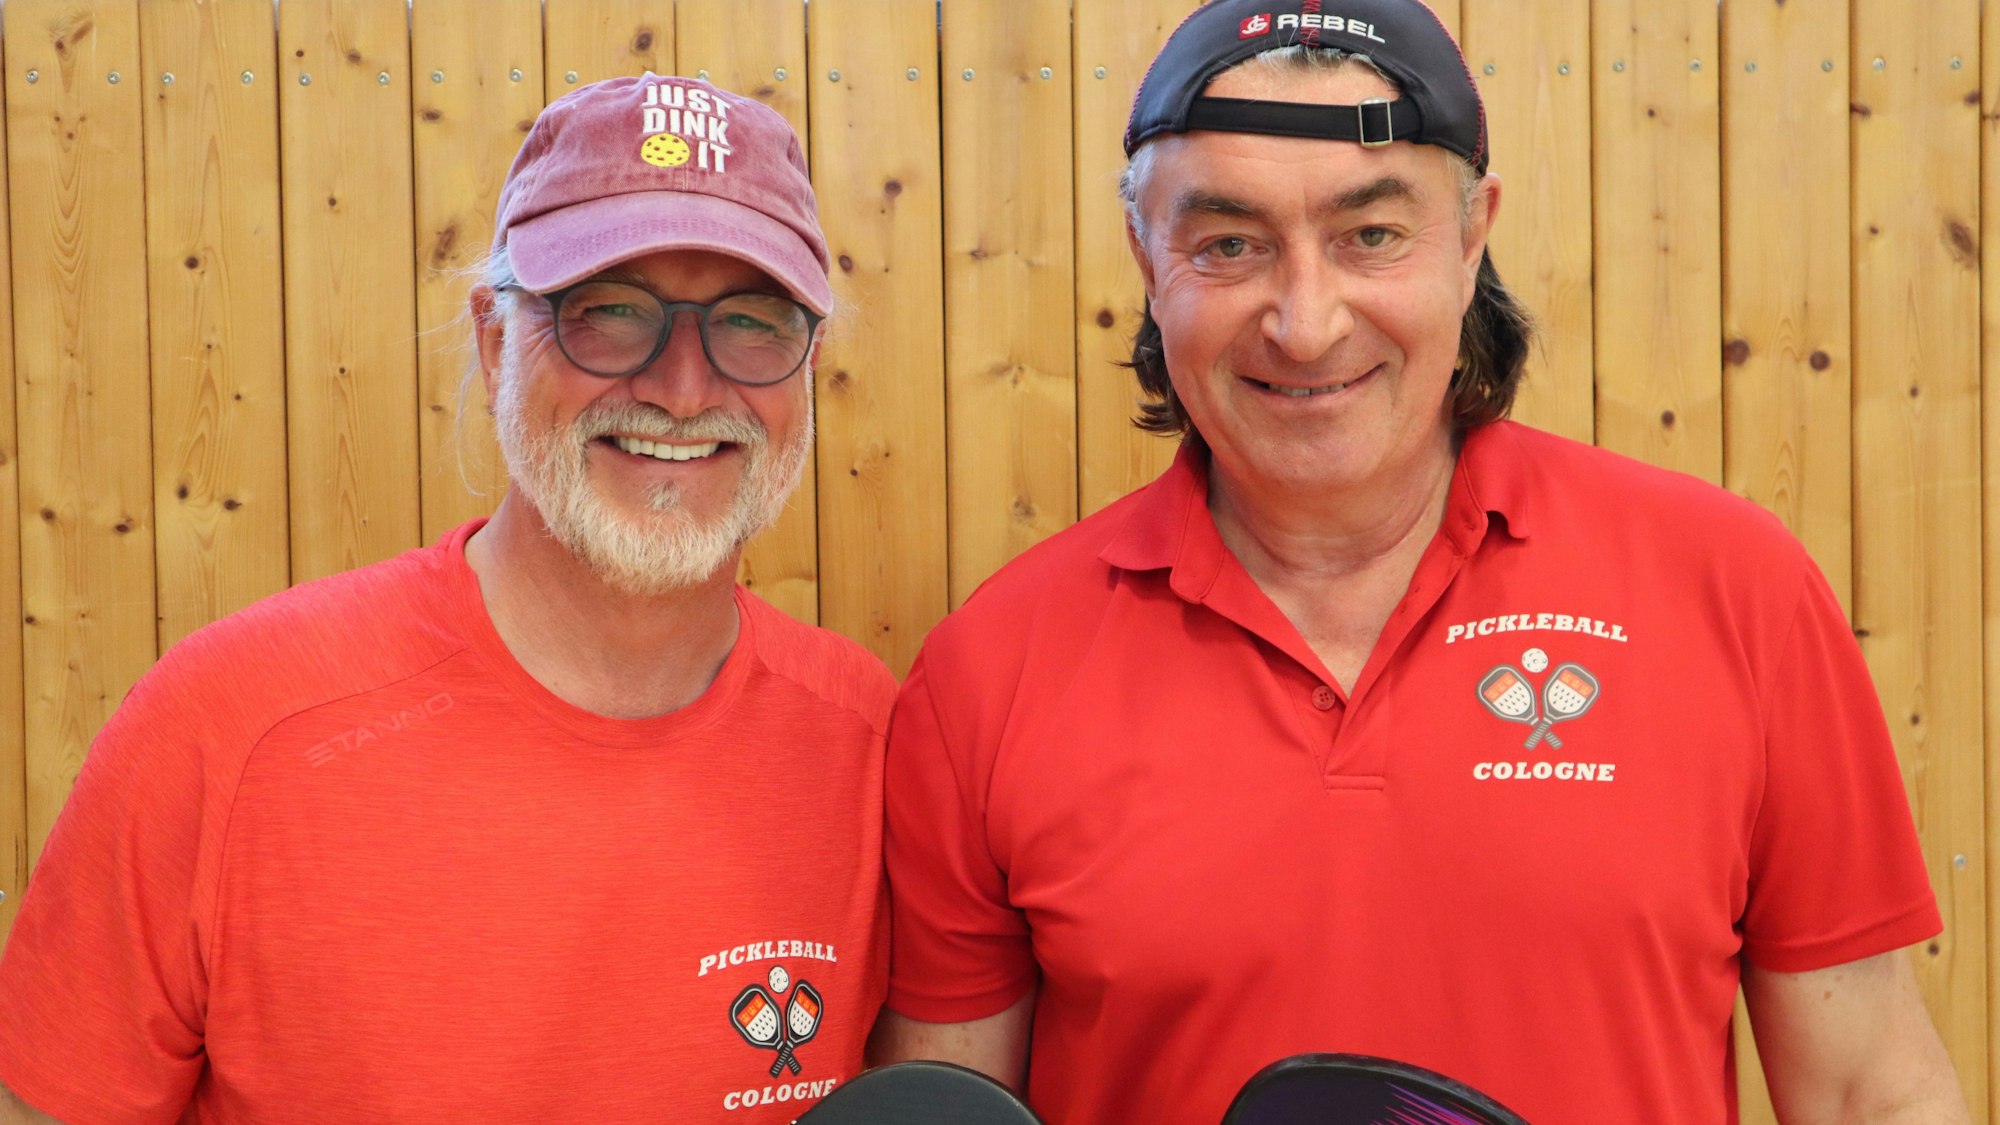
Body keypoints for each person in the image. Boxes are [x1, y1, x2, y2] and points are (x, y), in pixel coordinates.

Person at [872, 4, 1971, 1124]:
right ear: (1145, 257)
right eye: (1228, 244)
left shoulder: (1731, 589)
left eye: (1371, 235)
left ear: (1470, 236)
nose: (1304, 323)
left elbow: (1865, 1093)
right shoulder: (990, 669)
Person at [0, 74, 891, 1123]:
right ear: (494, 338)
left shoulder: (871, 740)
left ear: (808, 365)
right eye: (609, 313)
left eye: (749, 322)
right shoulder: (229, 725)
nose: (682, 390)